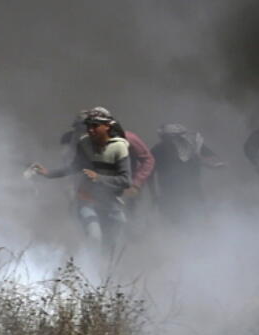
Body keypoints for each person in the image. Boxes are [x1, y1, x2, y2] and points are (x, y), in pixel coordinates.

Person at [31, 108, 132, 256]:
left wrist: (99, 178)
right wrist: (48, 174)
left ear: (107, 127)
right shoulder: (84, 144)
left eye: (95, 126)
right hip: (87, 199)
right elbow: (74, 168)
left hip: (111, 203)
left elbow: (125, 180)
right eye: (88, 126)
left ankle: (106, 273)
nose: (91, 130)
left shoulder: (119, 147)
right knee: (94, 237)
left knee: (111, 243)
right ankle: (89, 271)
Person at [150, 123, 224, 224]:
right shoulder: (157, 150)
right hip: (170, 195)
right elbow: (149, 173)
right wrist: (154, 194)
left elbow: (214, 158)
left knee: (198, 221)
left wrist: (210, 162)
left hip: (193, 193)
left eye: (182, 135)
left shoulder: (193, 146)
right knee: (175, 223)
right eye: (173, 137)